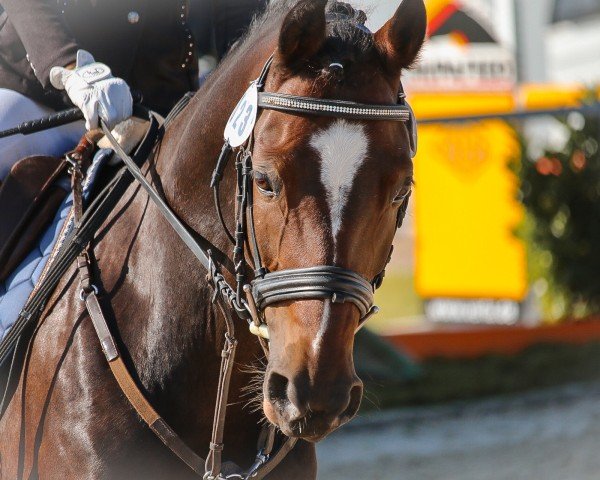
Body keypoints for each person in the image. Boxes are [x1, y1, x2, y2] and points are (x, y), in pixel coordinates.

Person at [0, 0, 266, 180]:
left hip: (157, 108)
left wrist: (259, 75)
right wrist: (70, 66)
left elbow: (239, 12)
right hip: (37, 93)